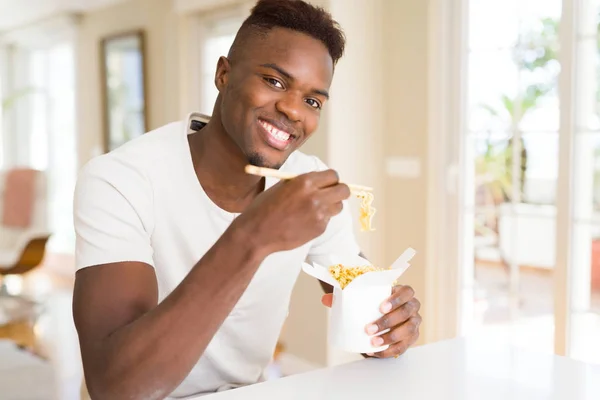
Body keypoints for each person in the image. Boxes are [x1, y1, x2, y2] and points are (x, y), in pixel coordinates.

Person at [72, 0, 421, 399]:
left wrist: (387, 321)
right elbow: (117, 387)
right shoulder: (121, 179)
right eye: (274, 81)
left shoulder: (308, 184)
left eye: (312, 101)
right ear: (224, 74)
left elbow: (355, 286)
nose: (292, 109)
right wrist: (252, 237)